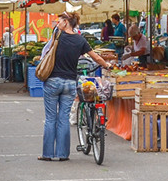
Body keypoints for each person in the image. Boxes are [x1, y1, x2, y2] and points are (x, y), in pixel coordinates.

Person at [39, 11, 113, 161]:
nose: (57, 23)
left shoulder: (57, 35)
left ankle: (47, 154)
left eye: (60, 21)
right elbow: (96, 57)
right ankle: (62, 154)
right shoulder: (80, 41)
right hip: (70, 83)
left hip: (53, 81)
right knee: (64, 119)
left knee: (51, 119)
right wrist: (107, 65)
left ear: (66, 22)